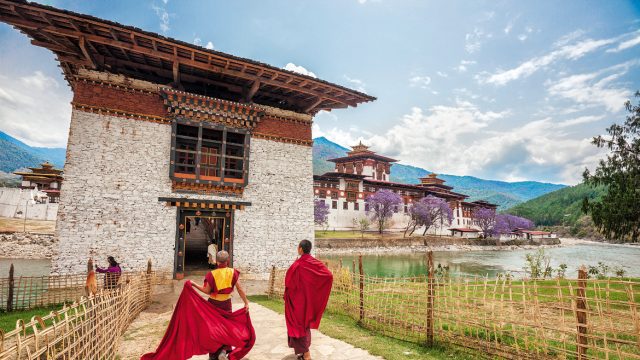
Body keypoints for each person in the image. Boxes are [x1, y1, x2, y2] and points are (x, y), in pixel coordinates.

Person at [192, 250, 250, 360]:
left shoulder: (212, 274)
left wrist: (194, 284)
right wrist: (246, 302)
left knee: (213, 328)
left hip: (213, 304)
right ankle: (223, 350)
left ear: (216, 262)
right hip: (226, 304)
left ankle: (213, 354)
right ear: (227, 261)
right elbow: (240, 289)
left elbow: (207, 291)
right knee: (226, 327)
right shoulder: (233, 272)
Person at [284, 240, 333, 360]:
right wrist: (313, 292)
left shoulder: (297, 265)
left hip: (297, 303)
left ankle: (306, 354)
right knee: (303, 326)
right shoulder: (314, 262)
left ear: (300, 249)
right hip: (307, 301)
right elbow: (328, 275)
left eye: (298, 247)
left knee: (297, 326)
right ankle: (303, 353)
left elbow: (288, 283)